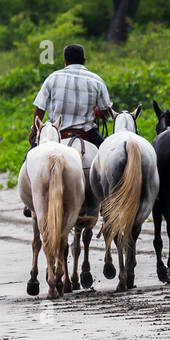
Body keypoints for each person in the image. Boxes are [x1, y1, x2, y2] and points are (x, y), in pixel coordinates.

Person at [23, 43, 113, 217]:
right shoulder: (96, 80)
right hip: (87, 133)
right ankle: (110, 198)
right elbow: (105, 112)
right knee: (109, 157)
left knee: (29, 158)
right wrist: (96, 111)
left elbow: (40, 108)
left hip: (57, 133)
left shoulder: (53, 78)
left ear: (65, 61)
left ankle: (30, 202)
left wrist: (35, 130)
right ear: (84, 60)